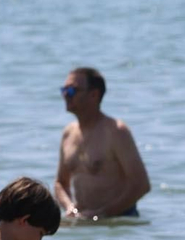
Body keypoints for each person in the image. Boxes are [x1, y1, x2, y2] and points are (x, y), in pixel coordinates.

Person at [53, 67, 151, 221]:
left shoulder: (116, 131)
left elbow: (141, 185)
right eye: (64, 90)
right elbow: (60, 182)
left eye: (72, 90)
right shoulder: (68, 133)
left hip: (117, 222)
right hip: (84, 221)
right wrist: (69, 208)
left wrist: (103, 214)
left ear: (94, 94)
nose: (66, 95)